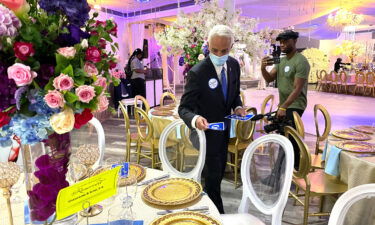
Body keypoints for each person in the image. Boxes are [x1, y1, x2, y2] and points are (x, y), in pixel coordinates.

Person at [178, 25, 246, 214]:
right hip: (206, 134)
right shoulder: (198, 73)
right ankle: (217, 216)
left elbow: (234, 93)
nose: (219, 54)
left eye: (224, 50)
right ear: (208, 45)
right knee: (213, 179)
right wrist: (195, 118)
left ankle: (208, 212)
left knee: (217, 175)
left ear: (231, 47)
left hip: (225, 131)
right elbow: (184, 108)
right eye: (215, 50)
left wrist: (238, 106)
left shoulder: (233, 65)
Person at [261, 30, 310, 169]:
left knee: (290, 139)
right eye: (280, 42)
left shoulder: (301, 61)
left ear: (295, 41)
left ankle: (288, 173)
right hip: (285, 105)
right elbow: (269, 78)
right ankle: (286, 172)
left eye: (285, 41)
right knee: (284, 138)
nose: (282, 44)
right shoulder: (281, 60)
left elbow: (298, 88)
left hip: (295, 105)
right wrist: (263, 68)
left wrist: (283, 107)